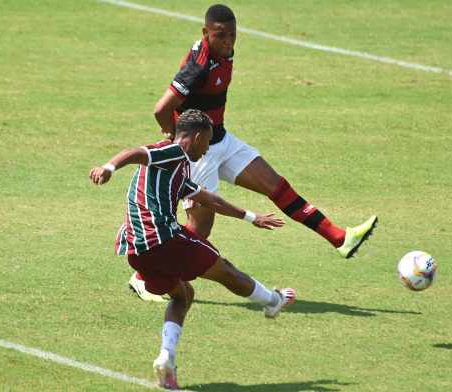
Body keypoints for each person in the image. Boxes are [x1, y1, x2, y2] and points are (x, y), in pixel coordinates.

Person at [129, 3, 377, 301]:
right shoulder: (197, 67)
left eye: (233, 35)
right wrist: (173, 136)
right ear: (205, 33)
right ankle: (143, 277)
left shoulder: (226, 51)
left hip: (221, 141)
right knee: (200, 231)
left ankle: (340, 238)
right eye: (220, 36)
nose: (228, 42)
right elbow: (160, 108)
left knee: (276, 185)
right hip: (200, 153)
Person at [90, 109, 296, 389]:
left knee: (182, 295)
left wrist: (251, 217)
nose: (207, 149)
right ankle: (273, 301)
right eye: (207, 142)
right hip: (163, 239)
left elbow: (208, 198)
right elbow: (135, 152)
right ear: (197, 137)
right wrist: (109, 167)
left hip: (136, 250)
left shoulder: (179, 168)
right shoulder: (172, 152)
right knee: (225, 270)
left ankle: (166, 359)